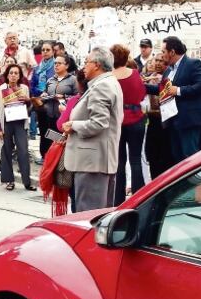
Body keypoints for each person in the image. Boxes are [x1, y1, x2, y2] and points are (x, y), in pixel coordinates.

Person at [61, 47, 123, 212]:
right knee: (99, 213)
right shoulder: (107, 83)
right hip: (98, 160)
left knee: (89, 214)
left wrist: (73, 125)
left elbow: (98, 123)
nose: (84, 67)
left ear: (96, 65)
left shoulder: (102, 86)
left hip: (92, 163)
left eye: (87, 63)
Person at [143, 36, 201, 163]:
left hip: (189, 120)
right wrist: (143, 86)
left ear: (172, 52)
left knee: (190, 158)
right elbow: (163, 90)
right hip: (173, 120)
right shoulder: (169, 70)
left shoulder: (193, 63)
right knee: (177, 157)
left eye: (163, 52)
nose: (162, 56)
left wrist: (179, 90)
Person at [111, 44, 147, 205]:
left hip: (118, 121)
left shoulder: (110, 77)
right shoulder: (134, 73)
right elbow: (141, 93)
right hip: (137, 119)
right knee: (135, 159)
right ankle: (139, 196)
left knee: (119, 161)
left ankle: (118, 198)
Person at [0, 61, 35, 191]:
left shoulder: (24, 88)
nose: (13, 75)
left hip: (20, 123)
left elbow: (29, 108)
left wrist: (27, 101)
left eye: (16, 73)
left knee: (23, 151)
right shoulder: (0, 89)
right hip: (5, 122)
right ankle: (9, 180)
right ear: (7, 75)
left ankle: (27, 182)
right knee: (6, 150)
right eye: (11, 73)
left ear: (19, 75)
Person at [38, 56, 79, 157]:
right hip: (49, 115)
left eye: (59, 63)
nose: (56, 65)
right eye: (55, 63)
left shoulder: (73, 80)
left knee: (60, 142)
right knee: (48, 139)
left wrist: (64, 96)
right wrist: (43, 95)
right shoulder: (50, 80)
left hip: (63, 116)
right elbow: (46, 92)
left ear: (67, 65)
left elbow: (78, 97)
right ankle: (47, 158)